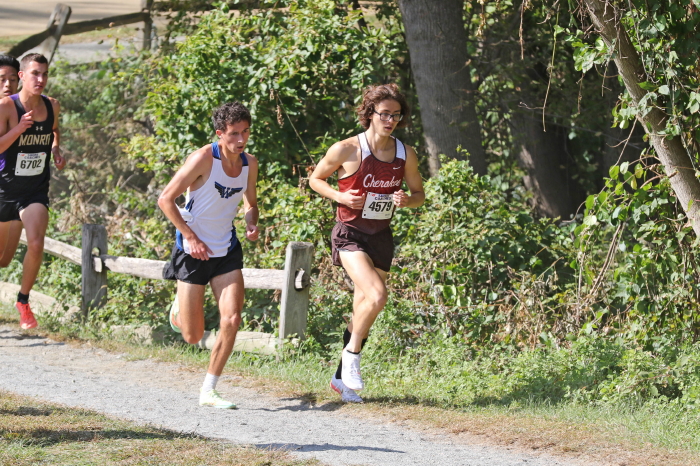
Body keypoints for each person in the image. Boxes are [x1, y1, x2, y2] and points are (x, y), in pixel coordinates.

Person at [309, 84, 425, 403]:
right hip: (349, 233)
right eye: (384, 114)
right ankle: (352, 357)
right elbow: (315, 179)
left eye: (396, 115)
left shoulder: (405, 154)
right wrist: (340, 196)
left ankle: (340, 380)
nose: (390, 121)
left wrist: (407, 200)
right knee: (377, 295)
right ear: (370, 113)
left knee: (364, 309)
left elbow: (419, 195)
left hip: (380, 236)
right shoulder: (346, 149)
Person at [158, 101, 259, 409]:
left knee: (232, 318)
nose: (241, 140)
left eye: (245, 132)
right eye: (234, 134)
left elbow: (251, 203)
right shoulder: (203, 159)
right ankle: (179, 306)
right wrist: (190, 237)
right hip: (193, 251)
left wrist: (251, 222)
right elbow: (165, 199)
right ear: (219, 134)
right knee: (193, 335)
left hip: (226, 249)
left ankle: (209, 389)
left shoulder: (249, 164)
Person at [0, 53, 65, 330]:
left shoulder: (52, 105)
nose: (41, 79)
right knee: (3, 260)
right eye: (35, 73)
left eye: (45, 74)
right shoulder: (6, 106)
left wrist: (56, 149)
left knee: (36, 242)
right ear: (22, 76)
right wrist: (19, 129)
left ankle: (23, 301)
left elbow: (54, 130)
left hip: (35, 191)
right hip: (5, 190)